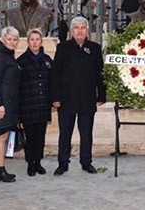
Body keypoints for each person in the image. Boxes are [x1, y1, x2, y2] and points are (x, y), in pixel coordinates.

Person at [52, 17, 106, 175]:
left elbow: (100, 73)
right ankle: (63, 163)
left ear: (87, 30)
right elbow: (55, 74)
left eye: (83, 28)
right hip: (66, 100)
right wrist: (55, 98)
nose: (80, 30)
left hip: (87, 99)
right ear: (71, 31)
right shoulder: (63, 48)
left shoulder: (94, 48)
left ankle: (86, 162)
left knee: (86, 133)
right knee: (65, 134)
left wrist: (101, 95)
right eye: (76, 28)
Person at [17, 28, 54, 176]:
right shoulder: (21, 61)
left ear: (41, 42)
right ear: (28, 42)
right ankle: (30, 163)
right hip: (28, 105)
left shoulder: (47, 61)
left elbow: (52, 82)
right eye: (32, 39)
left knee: (40, 136)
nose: (34, 42)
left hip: (43, 105)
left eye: (37, 39)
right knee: (30, 137)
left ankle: (38, 162)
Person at [0, 26, 21, 182]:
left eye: (15, 40)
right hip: (2, 104)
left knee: (4, 135)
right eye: (9, 39)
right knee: (1, 136)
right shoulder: (0, 56)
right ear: (2, 39)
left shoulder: (7, 54)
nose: (12, 42)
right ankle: (0, 170)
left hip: (8, 103)